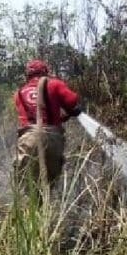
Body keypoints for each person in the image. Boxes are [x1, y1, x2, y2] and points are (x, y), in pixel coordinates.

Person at [13, 59, 82, 190]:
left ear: (27, 75)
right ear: (45, 72)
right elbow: (72, 101)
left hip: (28, 139)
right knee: (48, 185)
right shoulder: (54, 84)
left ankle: (30, 209)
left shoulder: (19, 93)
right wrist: (69, 112)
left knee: (26, 185)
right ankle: (46, 208)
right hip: (53, 139)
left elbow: (33, 119)